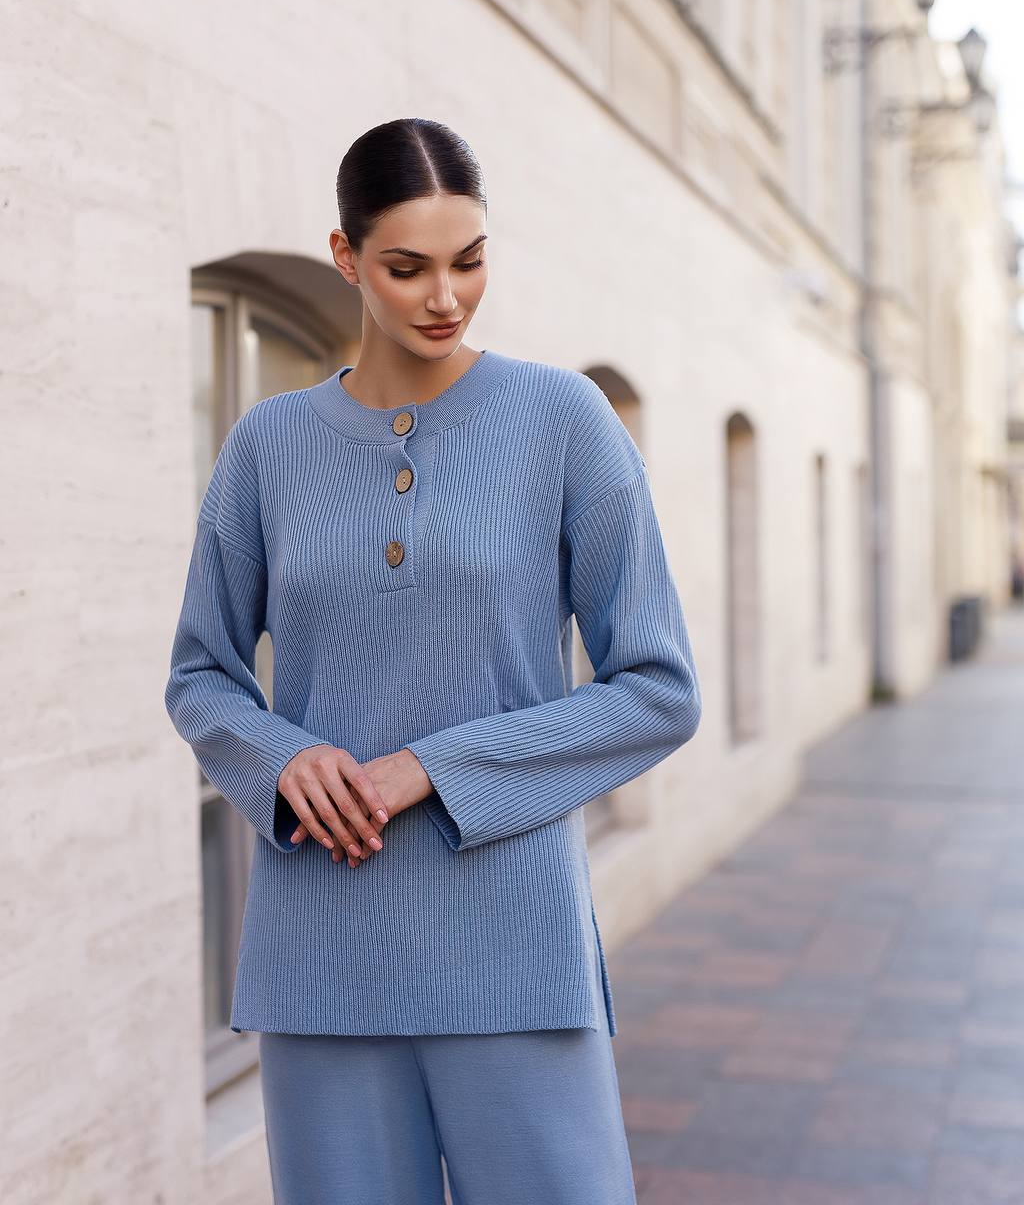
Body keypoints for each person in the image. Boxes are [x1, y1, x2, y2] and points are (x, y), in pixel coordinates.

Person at [164, 117, 702, 1204]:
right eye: (407, 267)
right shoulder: (268, 445)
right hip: (321, 957)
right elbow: (200, 672)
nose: (444, 296)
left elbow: (658, 687)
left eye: (470, 260)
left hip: (514, 947)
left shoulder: (563, 419)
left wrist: (431, 766)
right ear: (345, 255)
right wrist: (280, 757)